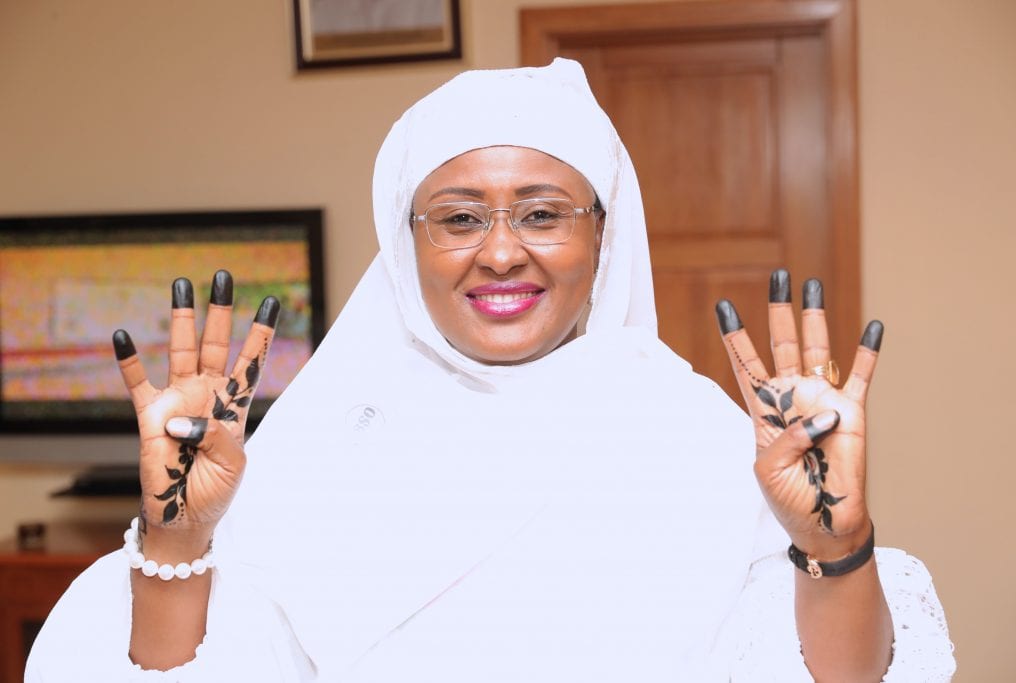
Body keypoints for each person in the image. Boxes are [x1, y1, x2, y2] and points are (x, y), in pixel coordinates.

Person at [27, 58, 954, 681]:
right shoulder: (313, 444)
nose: (502, 252)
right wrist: (177, 542)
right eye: (460, 218)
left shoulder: (700, 434)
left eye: (543, 213)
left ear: (603, 234)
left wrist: (837, 548)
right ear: (407, 244)